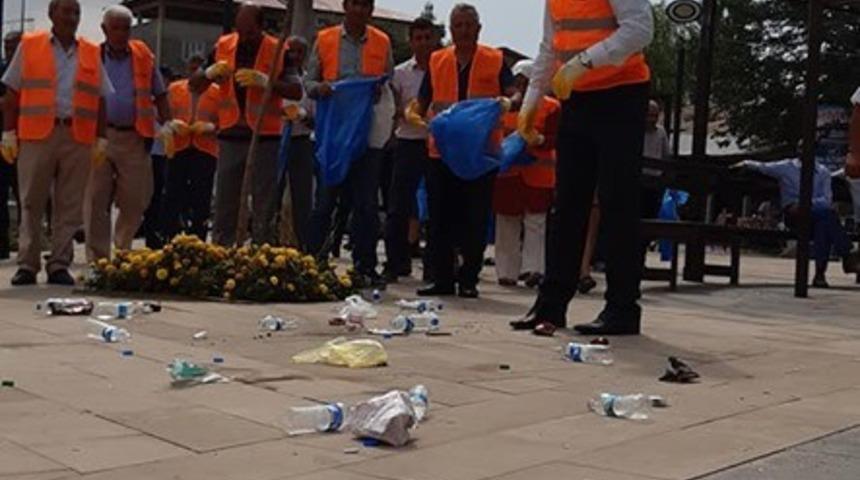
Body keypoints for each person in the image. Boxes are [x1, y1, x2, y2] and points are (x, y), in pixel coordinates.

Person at [512, 0, 654, 336]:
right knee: (567, 205)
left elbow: (640, 28)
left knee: (617, 201)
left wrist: (585, 61)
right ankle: (551, 305)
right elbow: (549, 48)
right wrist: (530, 104)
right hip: (576, 98)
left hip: (621, 94)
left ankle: (622, 308)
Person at [407, 4, 517, 299]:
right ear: (451, 30)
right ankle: (441, 278)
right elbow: (424, 97)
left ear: (479, 29)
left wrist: (509, 102)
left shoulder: (495, 59)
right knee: (440, 217)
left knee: (475, 218)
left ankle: (468, 278)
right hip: (441, 152)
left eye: (470, 25)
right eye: (458, 25)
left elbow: (513, 91)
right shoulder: (437, 60)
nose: (464, 30)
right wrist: (414, 111)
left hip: (480, 155)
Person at [1, 0, 113, 286]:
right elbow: (11, 94)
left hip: (77, 136)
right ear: (51, 14)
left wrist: (101, 138)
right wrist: (8, 132)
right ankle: (27, 264)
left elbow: (100, 99)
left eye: (76, 12)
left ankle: (59, 264)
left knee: (69, 205)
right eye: (66, 11)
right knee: (30, 201)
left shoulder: (90, 51)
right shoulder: (30, 45)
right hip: (37, 135)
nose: (72, 17)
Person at [197, 2, 302, 247]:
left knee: (263, 202)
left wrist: (267, 82)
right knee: (225, 201)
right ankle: (222, 251)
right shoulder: (223, 46)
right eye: (241, 30)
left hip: (264, 138)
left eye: (250, 32)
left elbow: (296, 90)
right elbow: (196, 84)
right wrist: (209, 73)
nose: (245, 37)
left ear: (261, 27)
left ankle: (261, 251)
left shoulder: (277, 50)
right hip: (231, 135)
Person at [306, 0, 394, 287]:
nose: (359, 10)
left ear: (371, 9)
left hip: (366, 133)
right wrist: (320, 89)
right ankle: (313, 262)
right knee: (325, 202)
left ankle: (365, 266)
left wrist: (378, 89)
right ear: (345, 6)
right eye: (355, 4)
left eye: (365, 5)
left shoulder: (382, 42)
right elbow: (309, 82)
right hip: (333, 134)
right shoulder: (325, 39)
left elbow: (388, 80)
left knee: (366, 204)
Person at [84, 5, 173, 262]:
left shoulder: (143, 55)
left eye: (126, 28)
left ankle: (122, 249)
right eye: (116, 28)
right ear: (104, 30)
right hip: (99, 137)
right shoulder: (91, 56)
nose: (122, 34)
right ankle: (99, 259)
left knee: (136, 199)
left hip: (134, 138)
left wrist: (167, 124)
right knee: (96, 200)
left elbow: (160, 94)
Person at [734, 158, 860, 288]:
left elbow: (827, 200)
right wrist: (745, 163)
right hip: (794, 216)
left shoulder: (823, 172)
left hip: (814, 215)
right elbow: (763, 166)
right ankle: (846, 255)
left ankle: (820, 275)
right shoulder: (786, 167)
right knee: (828, 217)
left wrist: (805, 204)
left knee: (823, 225)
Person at [492, 60, 560, 289]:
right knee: (506, 223)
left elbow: (555, 137)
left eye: (526, 80)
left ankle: (534, 270)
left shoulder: (551, 107)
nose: (521, 85)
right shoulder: (503, 106)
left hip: (538, 175)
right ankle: (506, 272)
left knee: (536, 223)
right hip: (508, 174)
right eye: (517, 81)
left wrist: (539, 140)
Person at [383, 17, 436, 283]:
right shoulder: (400, 72)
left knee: (438, 206)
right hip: (407, 141)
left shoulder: (444, 67)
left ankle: (435, 267)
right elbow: (391, 108)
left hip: (438, 145)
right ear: (410, 41)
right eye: (418, 38)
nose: (423, 43)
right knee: (398, 206)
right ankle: (396, 263)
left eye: (428, 37)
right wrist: (404, 114)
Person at [160, 59, 220, 241]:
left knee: (201, 198)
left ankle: (197, 239)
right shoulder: (174, 89)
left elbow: (226, 119)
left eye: (199, 70)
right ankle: (169, 236)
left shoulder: (217, 92)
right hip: (178, 148)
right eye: (193, 70)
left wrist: (212, 127)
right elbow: (162, 114)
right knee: (172, 194)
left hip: (205, 150)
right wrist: (171, 125)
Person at [277, 35, 316, 250]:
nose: (294, 56)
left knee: (303, 198)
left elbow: (315, 120)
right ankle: (267, 242)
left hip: (301, 141)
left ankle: (304, 247)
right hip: (275, 140)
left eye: (299, 52)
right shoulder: (276, 78)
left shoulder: (308, 82)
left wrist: (301, 115)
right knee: (272, 193)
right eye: (291, 51)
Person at [0, 31, 22, 260]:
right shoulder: (2, 71)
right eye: (6, 46)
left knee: (27, 198)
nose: (9, 50)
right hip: (4, 143)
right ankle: (3, 245)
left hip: (28, 141)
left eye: (13, 46)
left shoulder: (30, 71)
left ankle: (28, 244)